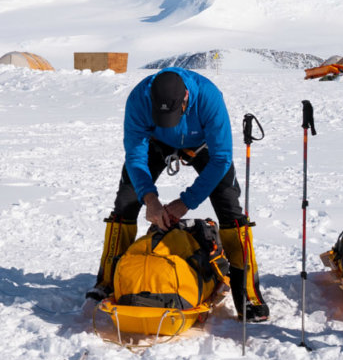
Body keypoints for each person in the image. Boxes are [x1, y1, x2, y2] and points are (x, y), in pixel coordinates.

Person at [85, 67, 268, 321]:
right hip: (156, 143)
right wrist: (150, 199)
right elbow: (135, 157)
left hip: (202, 145)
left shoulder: (208, 98)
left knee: (229, 206)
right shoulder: (139, 99)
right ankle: (107, 280)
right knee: (126, 201)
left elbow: (221, 159)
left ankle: (247, 292)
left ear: (185, 100)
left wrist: (186, 202)